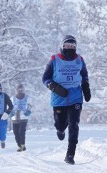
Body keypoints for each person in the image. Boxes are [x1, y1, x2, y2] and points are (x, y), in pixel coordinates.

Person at [42, 35, 91, 165]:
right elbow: (45, 78)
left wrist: (86, 87)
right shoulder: (54, 59)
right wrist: (54, 87)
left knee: (74, 125)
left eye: (72, 46)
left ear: (75, 47)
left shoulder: (79, 59)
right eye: (67, 46)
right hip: (59, 98)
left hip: (75, 97)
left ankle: (70, 155)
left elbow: (84, 75)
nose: (69, 48)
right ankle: (60, 129)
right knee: (60, 124)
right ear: (62, 46)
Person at [10, 84, 32, 152]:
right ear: (16, 90)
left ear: (23, 90)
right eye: (19, 89)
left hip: (23, 117)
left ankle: (23, 145)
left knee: (21, 132)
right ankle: (19, 146)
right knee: (15, 132)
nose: (20, 91)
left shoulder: (27, 98)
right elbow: (9, 107)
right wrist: (10, 112)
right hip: (15, 118)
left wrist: (28, 111)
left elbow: (30, 106)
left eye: (21, 89)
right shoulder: (12, 98)